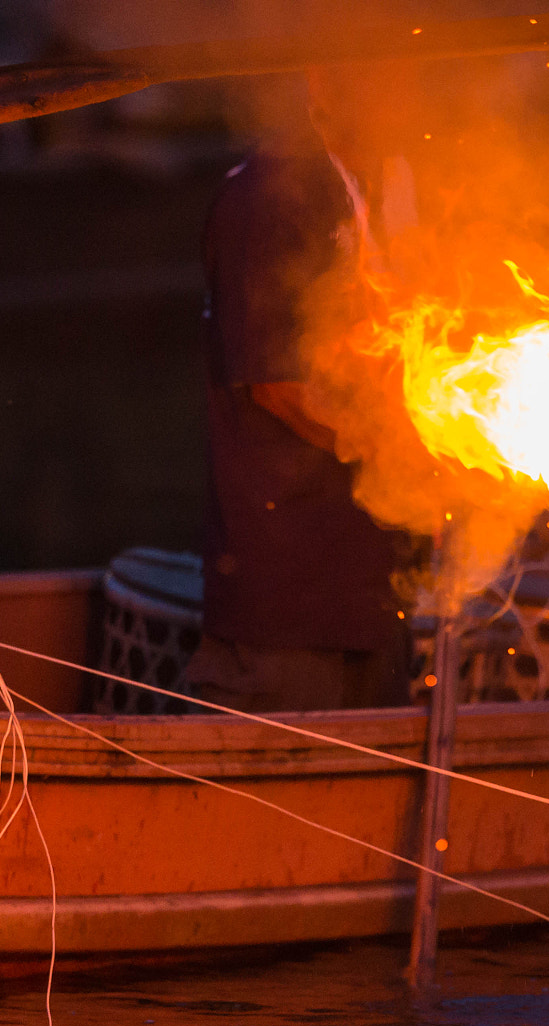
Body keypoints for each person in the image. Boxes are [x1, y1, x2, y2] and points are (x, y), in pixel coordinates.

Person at [185, 73, 414, 714]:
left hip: (370, 592)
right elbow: (280, 383)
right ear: (323, 80)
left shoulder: (370, 188)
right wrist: (398, 451)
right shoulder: (270, 196)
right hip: (286, 604)